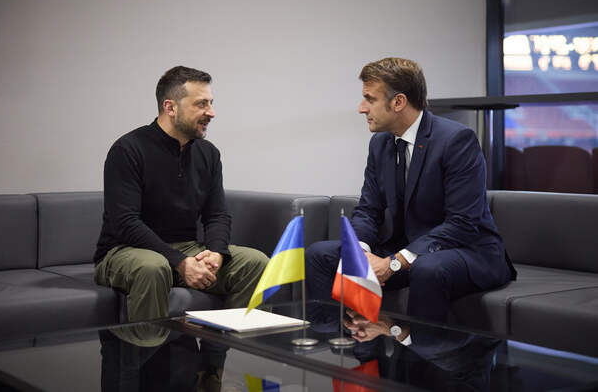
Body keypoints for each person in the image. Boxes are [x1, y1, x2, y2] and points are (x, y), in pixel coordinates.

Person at [305, 57, 515, 323]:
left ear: (398, 102)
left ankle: (415, 345)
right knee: (320, 255)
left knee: (427, 269)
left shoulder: (456, 140)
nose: (361, 108)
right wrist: (360, 253)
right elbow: (368, 209)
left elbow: (462, 223)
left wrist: (393, 263)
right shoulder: (380, 143)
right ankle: (345, 339)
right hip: (408, 250)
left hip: (467, 250)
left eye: (370, 99)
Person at [94, 66, 269, 322]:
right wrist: (180, 262)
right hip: (126, 250)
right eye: (201, 104)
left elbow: (217, 214)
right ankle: (146, 346)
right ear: (170, 107)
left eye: (211, 103)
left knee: (256, 262)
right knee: (152, 267)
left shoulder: (208, 153)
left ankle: (221, 346)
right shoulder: (128, 149)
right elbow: (125, 222)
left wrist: (216, 253)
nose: (211, 112)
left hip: (186, 248)